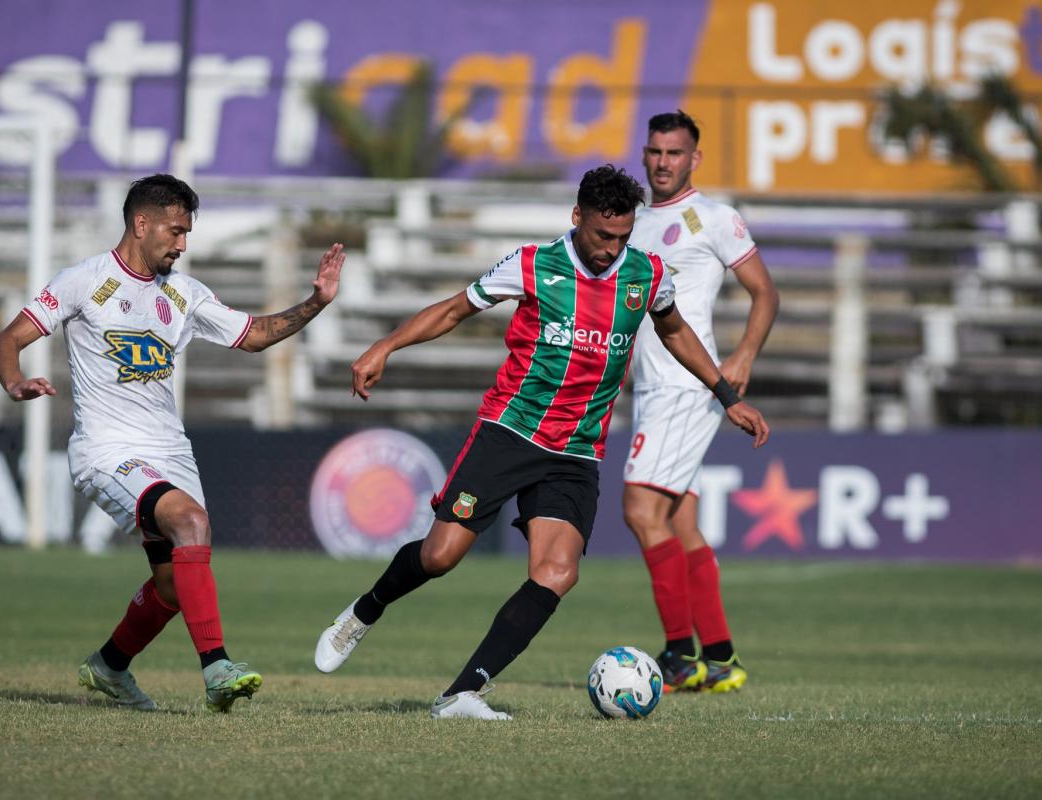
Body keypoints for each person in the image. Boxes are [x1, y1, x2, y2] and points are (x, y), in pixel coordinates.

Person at [313, 165, 769, 720]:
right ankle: (365, 610)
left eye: (623, 237)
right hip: (511, 431)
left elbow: (674, 331)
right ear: (577, 218)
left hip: (576, 451)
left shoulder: (646, 274)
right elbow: (456, 309)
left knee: (558, 571)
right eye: (603, 236)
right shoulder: (534, 265)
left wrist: (726, 395)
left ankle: (463, 693)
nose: (612, 249)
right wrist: (384, 346)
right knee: (439, 556)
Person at [0, 174, 346, 713]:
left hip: (170, 450)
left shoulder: (183, 291)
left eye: (187, 234)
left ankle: (109, 666)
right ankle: (218, 668)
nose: (182, 244)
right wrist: (14, 380)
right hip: (107, 450)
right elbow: (9, 338)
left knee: (176, 587)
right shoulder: (83, 281)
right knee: (191, 522)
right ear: (141, 223)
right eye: (176, 232)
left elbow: (252, 335)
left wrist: (315, 302)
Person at [622, 111, 779, 693]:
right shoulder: (632, 223)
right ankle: (719, 660)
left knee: (640, 511)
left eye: (674, 153)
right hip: (651, 389)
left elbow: (765, 291)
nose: (663, 162)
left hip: (687, 387)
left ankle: (678, 656)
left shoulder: (714, 218)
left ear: (695, 159)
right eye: (655, 151)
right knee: (678, 522)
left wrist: (744, 358)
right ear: (645, 155)